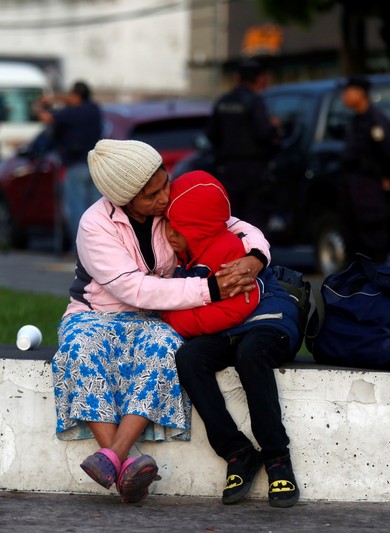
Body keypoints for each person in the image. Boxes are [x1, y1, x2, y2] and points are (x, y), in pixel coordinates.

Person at [52, 139, 270, 504]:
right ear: (124, 200)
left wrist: (256, 258)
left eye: (165, 182)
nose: (165, 198)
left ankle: (112, 458)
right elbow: (135, 289)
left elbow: (236, 226)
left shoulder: (173, 205)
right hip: (94, 315)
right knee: (79, 350)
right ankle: (128, 463)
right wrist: (210, 290)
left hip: (157, 317)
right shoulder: (95, 225)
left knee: (166, 347)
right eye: (152, 195)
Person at [163, 170, 301, 508]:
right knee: (190, 360)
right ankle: (237, 451)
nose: (166, 232)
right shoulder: (189, 253)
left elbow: (233, 310)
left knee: (250, 356)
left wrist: (171, 317)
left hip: (269, 323)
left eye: (173, 226)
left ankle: (276, 457)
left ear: (195, 229)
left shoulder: (229, 250)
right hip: (228, 331)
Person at [206, 59, 281, 227]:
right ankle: (253, 251)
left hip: (228, 169)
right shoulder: (255, 101)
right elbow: (264, 133)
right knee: (253, 221)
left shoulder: (223, 101)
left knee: (232, 220)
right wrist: (274, 128)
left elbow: (211, 133)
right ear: (259, 79)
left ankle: (233, 252)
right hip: (255, 170)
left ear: (237, 78)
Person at [38, 81, 103, 252]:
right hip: (96, 166)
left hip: (76, 165)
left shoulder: (72, 113)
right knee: (97, 210)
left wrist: (41, 106)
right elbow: (74, 101)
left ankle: (82, 250)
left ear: (75, 95)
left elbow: (47, 118)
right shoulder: (94, 110)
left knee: (77, 210)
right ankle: (100, 248)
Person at [338, 76, 390, 262]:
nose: (344, 97)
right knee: (352, 233)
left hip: (368, 182)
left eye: (348, 92)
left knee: (371, 230)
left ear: (360, 94)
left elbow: (385, 152)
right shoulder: (356, 120)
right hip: (353, 182)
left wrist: (386, 176)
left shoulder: (375, 120)